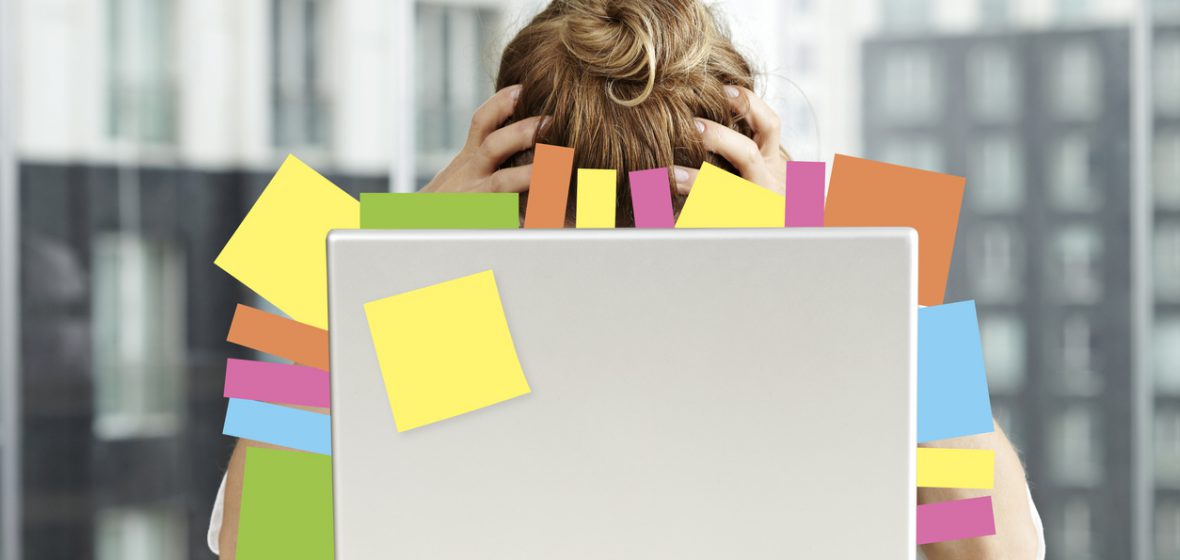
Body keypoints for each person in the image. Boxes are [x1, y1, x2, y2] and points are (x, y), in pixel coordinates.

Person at [209, 1, 1045, 557]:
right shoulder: (445, 324)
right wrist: (398, 261)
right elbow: (258, 541)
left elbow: (994, 550)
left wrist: (845, 274)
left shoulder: (816, 332)